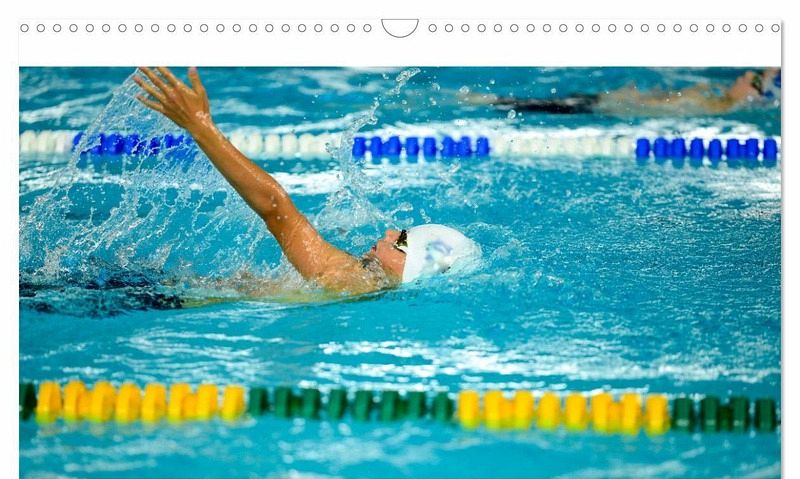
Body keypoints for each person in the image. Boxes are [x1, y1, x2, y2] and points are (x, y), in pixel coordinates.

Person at [134, 67, 480, 296]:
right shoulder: (364, 284)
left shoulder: (352, 283)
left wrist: (200, 126)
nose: (390, 233)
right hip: (165, 294)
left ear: (413, 268)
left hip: (155, 300)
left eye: (402, 242)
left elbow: (275, 208)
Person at [469, 68, 781, 116]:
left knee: (545, 105)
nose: (745, 75)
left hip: (608, 108)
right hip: (613, 102)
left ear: (755, 94)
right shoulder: (718, 97)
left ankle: (488, 101)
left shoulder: (720, 106)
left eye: (752, 80)